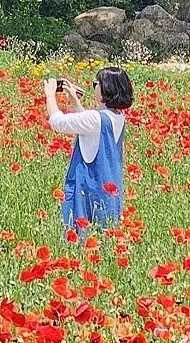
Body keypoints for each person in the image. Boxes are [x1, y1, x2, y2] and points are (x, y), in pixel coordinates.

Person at [44, 67, 133, 234]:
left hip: (89, 184)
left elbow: (58, 122)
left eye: (96, 84)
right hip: (108, 184)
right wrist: (74, 101)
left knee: (83, 232)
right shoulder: (117, 116)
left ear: (106, 88)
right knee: (103, 232)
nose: (94, 88)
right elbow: (91, 126)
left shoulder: (95, 118)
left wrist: (50, 95)